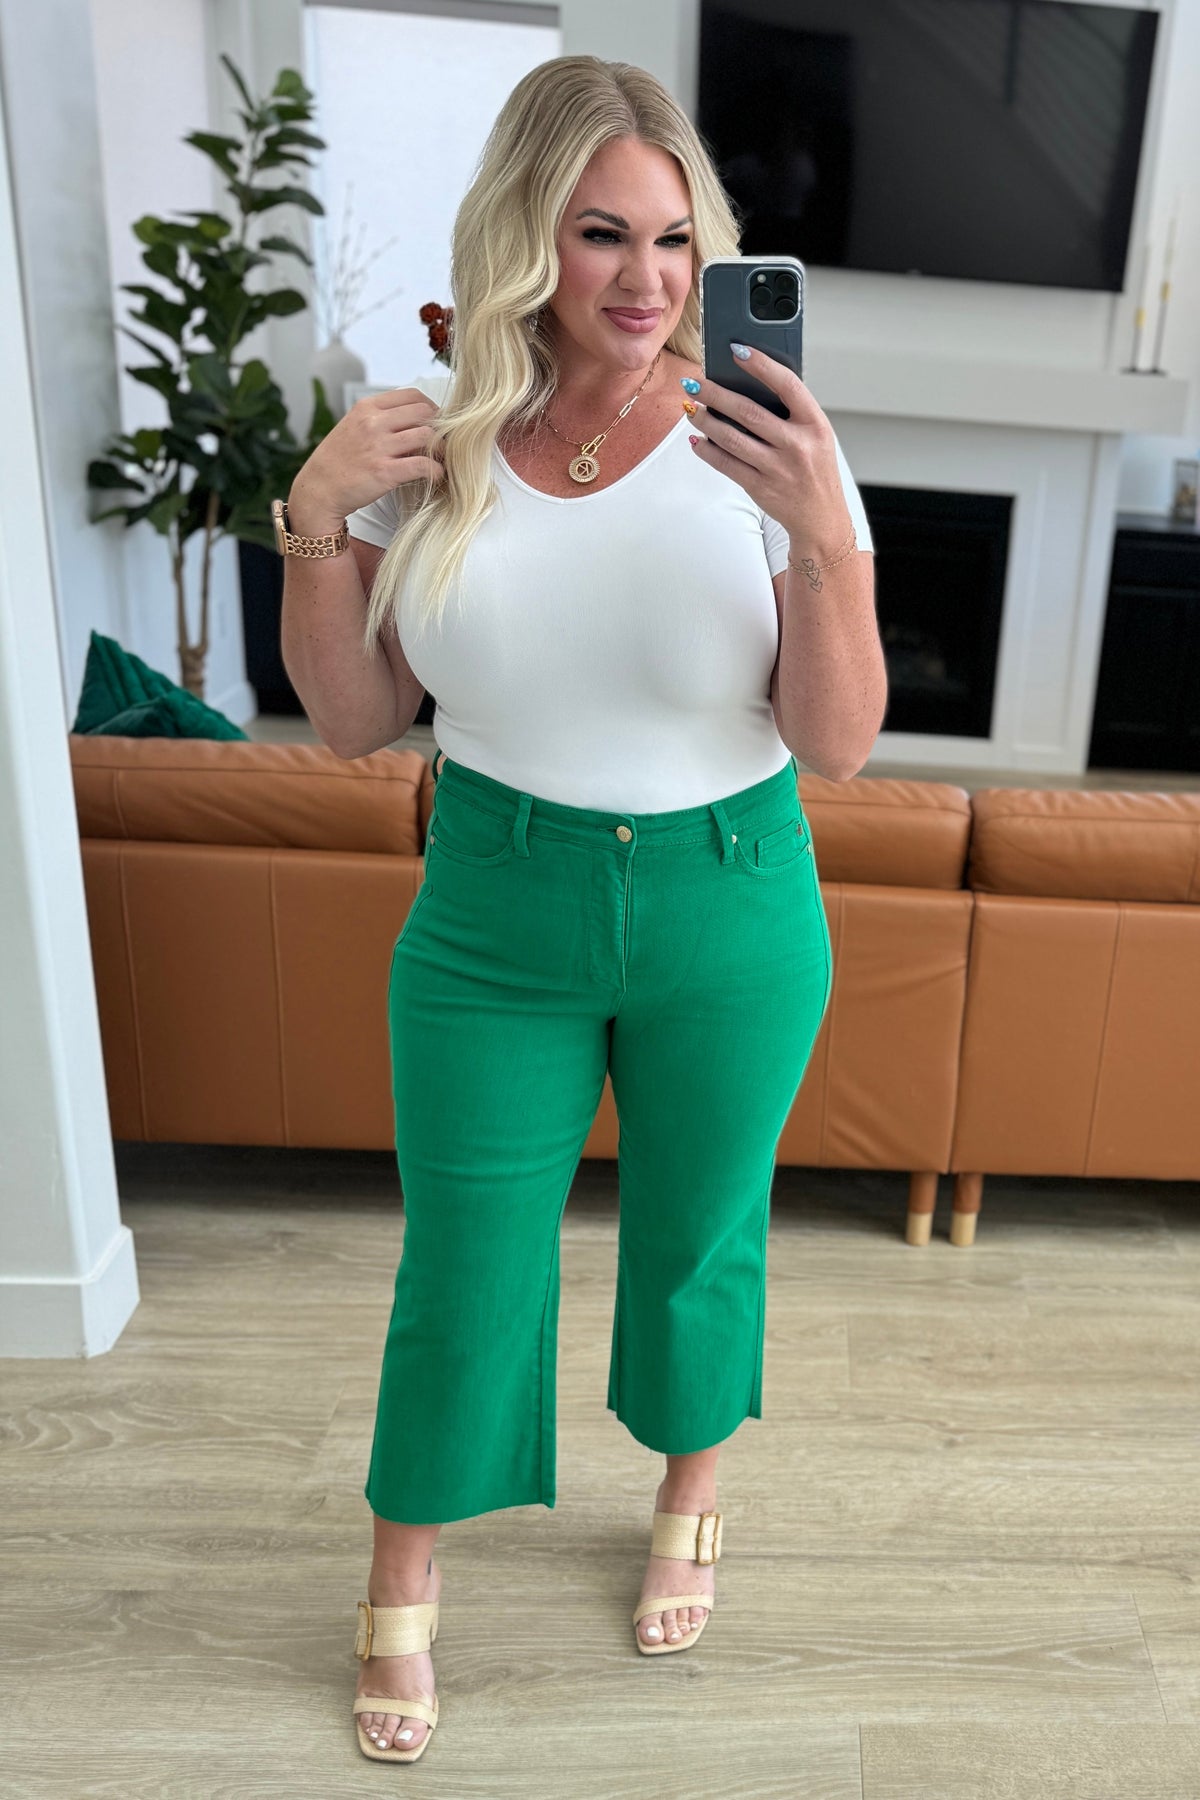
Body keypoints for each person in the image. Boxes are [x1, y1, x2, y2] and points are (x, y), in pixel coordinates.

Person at [280, 54, 885, 1766]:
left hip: (730, 897)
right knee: (465, 1259)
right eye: (602, 233)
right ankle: (401, 1577)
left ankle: (691, 1495)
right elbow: (354, 718)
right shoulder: (430, 435)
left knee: (700, 1231)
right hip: (493, 906)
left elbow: (838, 742)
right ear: (525, 235)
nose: (646, 279)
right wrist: (312, 518)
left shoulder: (768, 445)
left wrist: (820, 537)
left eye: (676, 240)